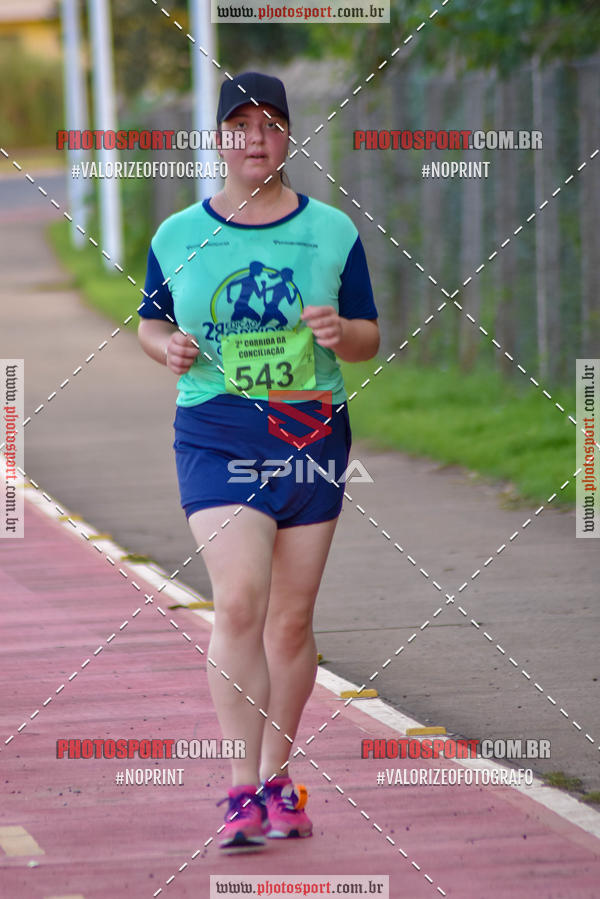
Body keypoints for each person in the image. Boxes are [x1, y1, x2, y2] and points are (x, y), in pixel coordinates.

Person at [137, 71, 380, 852]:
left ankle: (279, 774)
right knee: (238, 602)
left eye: (269, 125)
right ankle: (241, 789)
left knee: (292, 618)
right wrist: (165, 347)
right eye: (238, 126)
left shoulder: (332, 231)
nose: (254, 139)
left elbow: (372, 336)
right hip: (216, 428)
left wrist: (343, 332)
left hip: (310, 430)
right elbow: (149, 323)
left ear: (287, 138)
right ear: (218, 140)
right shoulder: (178, 236)